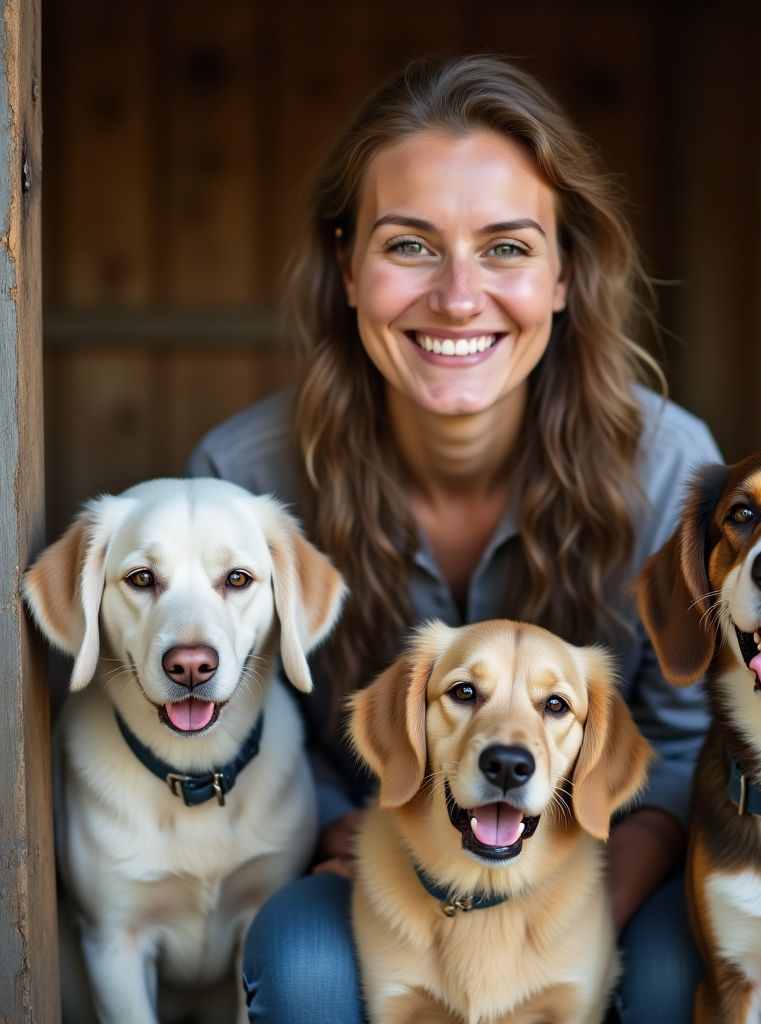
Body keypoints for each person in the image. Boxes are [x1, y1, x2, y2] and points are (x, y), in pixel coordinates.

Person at [187, 53, 721, 1024]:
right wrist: (338, 827)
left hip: (601, 868)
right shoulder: (241, 483)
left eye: (508, 248)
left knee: (667, 970)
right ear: (347, 267)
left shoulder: (673, 470)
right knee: (303, 961)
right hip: (373, 871)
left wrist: (555, 928)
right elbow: (243, 732)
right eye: (411, 245)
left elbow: (685, 748)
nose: (459, 296)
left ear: (565, 274)